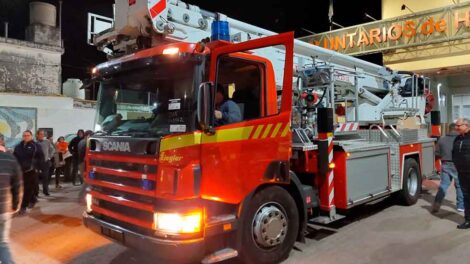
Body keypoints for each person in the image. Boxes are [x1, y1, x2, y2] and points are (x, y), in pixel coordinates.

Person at [0, 133, 22, 263]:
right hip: (4, 209)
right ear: (2, 142)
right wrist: (15, 205)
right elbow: (18, 185)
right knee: (2, 243)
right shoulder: (10, 158)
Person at [432, 123, 464, 213]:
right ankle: (460, 206)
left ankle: (437, 203)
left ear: (449, 129)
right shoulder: (461, 139)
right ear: (457, 129)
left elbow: (437, 153)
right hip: (458, 164)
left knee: (444, 185)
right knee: (459, 186)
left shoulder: (442, 140)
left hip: (445, 164)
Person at [13, 130, 44, 214]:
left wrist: (38, 168)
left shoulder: (36, 146)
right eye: (24, 135)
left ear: (31, 136)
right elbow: (15, 157)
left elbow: (41, 158)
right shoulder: (18, 147)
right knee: (23, 188)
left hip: (31, 171)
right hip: (20, 171)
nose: (26, 137)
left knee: (27, 189)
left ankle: (23, 206)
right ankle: (33, 199)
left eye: (27, 135)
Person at [453, 118, 470, 229]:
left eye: (459, 126)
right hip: (462, 172)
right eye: (456, 126)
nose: (456, 128)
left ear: (467, 125)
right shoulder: (457, 139)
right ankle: (468, 220)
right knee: (466, 197)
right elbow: (454, 153)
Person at [36, 130, 54, 196]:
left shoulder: (47, 142)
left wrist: (49, 157)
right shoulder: (35, 143)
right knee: (36, 178)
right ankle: (36, 192)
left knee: (45, 177)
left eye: (43, 134)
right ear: (37, 135)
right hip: (37, 163)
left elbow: (52, 150)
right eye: (40, 134)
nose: (42, 135)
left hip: (45, 162)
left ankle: (45, 191)